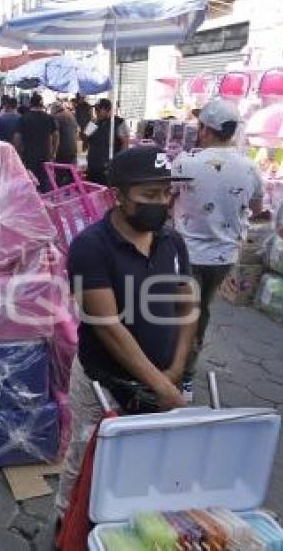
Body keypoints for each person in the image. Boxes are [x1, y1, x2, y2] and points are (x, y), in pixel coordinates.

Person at [55, 146, 196, 521]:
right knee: (86, 461)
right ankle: (65, 528)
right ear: (117, 195)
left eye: (166, 193)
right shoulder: (90, 247)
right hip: (106, 382)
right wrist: (161, 385)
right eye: (149, 195)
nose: (161, 203)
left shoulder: (173, 242)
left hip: (165, 377)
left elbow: (187, 306)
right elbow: (108, 327)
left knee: (148, 462)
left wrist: (176, 370)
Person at [171, 98, 264, 399]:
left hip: (184, 252)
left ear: (205, 129)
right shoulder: (250, 168)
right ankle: (185, 378)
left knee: (176, 313)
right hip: (223, 257)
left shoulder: (185, 162)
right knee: (200, 313)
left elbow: (165, 198)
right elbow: (257, 207)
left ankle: (170, 371)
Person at [15, 93, 59, 192]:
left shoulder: (23, 118)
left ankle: (34, 204)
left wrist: (19, 154)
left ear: (31, 104)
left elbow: (17, 138)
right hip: (46, 155)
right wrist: (54, 152)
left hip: (29, 156)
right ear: (42, 103)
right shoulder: (49, 118)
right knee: (46, 182)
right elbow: (56, 135)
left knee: (31, 183)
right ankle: (46, 204)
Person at [84, 98, 130, 186]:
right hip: (93, 165)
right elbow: (85, 137)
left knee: (106, 190)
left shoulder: (119, 122)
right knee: (92, 189)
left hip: (108, 166)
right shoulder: (95, 122)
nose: (96, 112)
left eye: (98, 110)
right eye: (95, 110)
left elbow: (125, 142)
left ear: (107, 110)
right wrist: (91, 125)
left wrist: (119, 162)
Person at [50, 101, 79, 166]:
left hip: (61, 152)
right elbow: (77, 131)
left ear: (54, 109)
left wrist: (53, 152)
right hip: (73, 152)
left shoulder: (56, 117)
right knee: (72, 174)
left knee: (59, 173)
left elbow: (55, 135)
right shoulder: (71, 115)